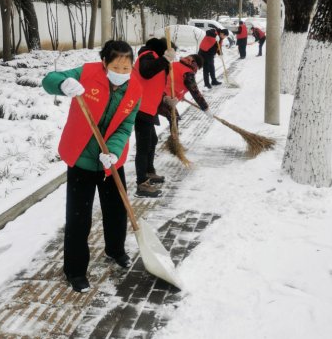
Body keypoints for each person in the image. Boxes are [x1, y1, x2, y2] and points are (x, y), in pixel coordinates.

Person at [42, 40, 142, 293]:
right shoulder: (86, 74)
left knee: (117, 210)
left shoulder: (135, 89)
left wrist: (114, 152)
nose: (121, 72)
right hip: (82, 158)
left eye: (126, 67)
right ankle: (75, 271)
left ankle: (115, 250)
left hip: (110, 161)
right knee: (78, 217)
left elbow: (125, 126)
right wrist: (62, 84)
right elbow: (49, 80)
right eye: (116, 66)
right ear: (104, 63)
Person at [134, 37, 176, 198]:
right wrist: (165, 59)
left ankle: (149, 172)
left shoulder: (156, 58)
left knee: (152, 140)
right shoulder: (148, 55)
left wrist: (165, 98)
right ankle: (142, 184)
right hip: (140, 107)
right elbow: (146, 72)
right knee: (143, 146)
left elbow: (153, 83)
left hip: (149, 108)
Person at [158, 54, 213, 124]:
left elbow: (175, 81)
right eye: (198, 68)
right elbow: (195, 92)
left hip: (155, 92)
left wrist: (180, 96)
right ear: (195, 65)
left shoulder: (174, 64)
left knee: (173, 118)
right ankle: (174, 134)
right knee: (174, 119)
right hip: (163, 98)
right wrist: (206, 108)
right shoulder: (188, 73)